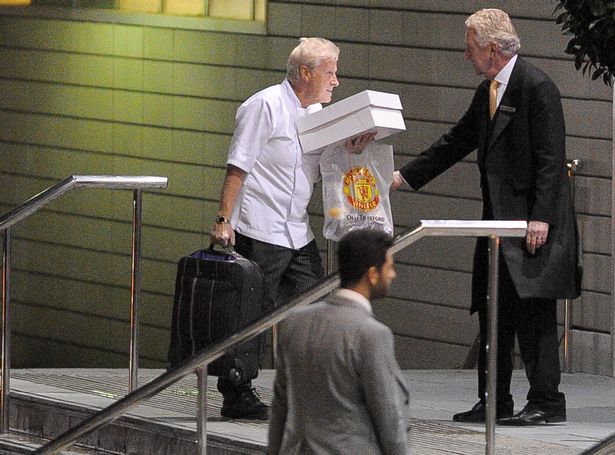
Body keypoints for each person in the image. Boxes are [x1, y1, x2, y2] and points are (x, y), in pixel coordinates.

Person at [392, 8, 581, 426]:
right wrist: (401, 177)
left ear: (493, 50)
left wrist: (541, 219)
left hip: (530, 224)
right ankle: (494, 399)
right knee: (492, 310)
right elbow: (456, 141)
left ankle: (546, 402)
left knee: (533, 316)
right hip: (495, 223)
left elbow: (551, 160)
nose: (466, 56)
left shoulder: (537, 88)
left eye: (470, 48)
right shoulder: (488, 90)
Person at [210, 37, 374, 420]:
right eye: (330, 73)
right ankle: (236, 392)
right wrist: (223, 219)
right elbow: (238, 165)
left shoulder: (317, 113)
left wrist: (355, 144)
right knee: (252, 313)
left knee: (315, 307)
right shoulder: (264, 105)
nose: (336, 81)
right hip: (258, 227)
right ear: (305, 73)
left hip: (297, 231)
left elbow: (333, 162)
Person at [268, 229, 409, 454]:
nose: (393, 275)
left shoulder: (294, 321)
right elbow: (388, 416)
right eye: (389, 267)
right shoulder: (372, 334)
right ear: (372, 274)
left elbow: (280, 405)